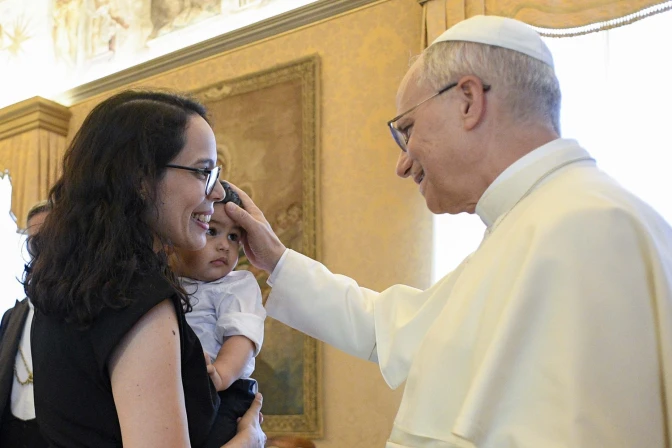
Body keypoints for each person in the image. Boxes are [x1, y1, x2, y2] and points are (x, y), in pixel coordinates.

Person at [222, 15, 672, 448]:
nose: (402, 164)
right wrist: (277, 260)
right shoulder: (530, 225)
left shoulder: (587, 227)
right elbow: (388, 327)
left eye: (407, 129)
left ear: (468, 101)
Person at [24, 90, 266, 447]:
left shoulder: (69, 287)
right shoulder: (138, 299)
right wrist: (249, 440)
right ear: (140, 180)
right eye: (203, 172)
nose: (217, 193)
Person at [172, 180, 266, 447]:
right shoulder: (166, 284)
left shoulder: (236, 285)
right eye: (212, 231)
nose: (225, 245)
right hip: (184, 389)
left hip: (227, 392)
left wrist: (221, 374)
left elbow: (241, 338)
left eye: (234, 237)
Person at [0, 200, 51, 448]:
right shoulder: (12, 316)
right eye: (33, 242)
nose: (39, 248)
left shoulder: (80, 315)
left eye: (47, 238)